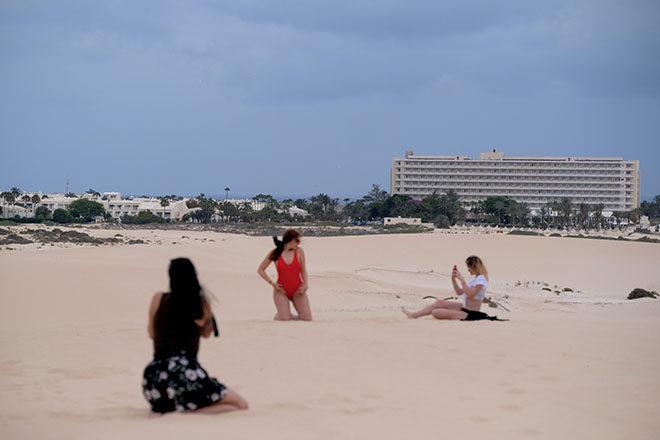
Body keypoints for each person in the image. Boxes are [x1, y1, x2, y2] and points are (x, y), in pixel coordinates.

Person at [142, 258, 248, 414]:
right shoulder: (201, 302)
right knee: (241, 405)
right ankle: (186, 414)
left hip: (153, 377)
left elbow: (151, 334)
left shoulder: (158, 298)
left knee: (172, 403)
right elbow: (207, 333)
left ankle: (174, 411)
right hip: (185, 372)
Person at [402, 255, 500, 321]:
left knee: (435, 312)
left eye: (469, 267)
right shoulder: (475, 279)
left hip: (471, 313)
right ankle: (413, 315)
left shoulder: (481, 279)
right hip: (465, 308)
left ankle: (414, 315)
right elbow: (459, 292)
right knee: (439, 303)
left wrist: (462, 280)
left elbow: (470, 295)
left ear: (474, 267)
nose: (468, 270)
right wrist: (453, 279)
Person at [257, 229, 312, 321]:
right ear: (290, 240)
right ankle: (281, 314)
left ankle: (289, 315)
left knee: (307, 319)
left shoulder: (299, 251)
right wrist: (272, 283)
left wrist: (306, 284)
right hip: (281, 291)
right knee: (284, 319)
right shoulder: (275, 253)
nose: (298, 243)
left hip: (298, 290)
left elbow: (303, 271)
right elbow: (260, 270)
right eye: (297, 241)